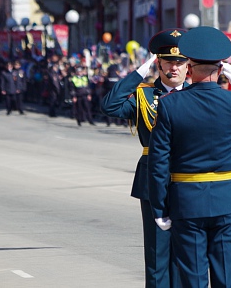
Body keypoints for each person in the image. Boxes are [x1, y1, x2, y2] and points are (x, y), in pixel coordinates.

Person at [148, 26, 231, 287]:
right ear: (221, 70)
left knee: (193, 278)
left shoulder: (169, 104)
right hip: (228, 200)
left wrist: (160, 208)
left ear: (189, 67)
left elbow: (159, 162)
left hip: (187, 202)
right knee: (227, 278)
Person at [101, 28, 189, 288]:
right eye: (167, 62)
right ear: (158, 63)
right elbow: (110, 105)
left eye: (180, 62)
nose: (174, 68)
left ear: (188, 66)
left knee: (188, 254)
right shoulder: (143, 95)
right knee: (157, 252)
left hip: (189, 177)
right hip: (153, 178)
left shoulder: (197, 95)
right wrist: (140, 73)